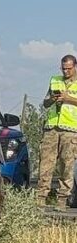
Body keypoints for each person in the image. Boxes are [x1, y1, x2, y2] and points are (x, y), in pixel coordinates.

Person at [37, 54, 77, 208]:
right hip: (51, 127)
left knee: (66, 165)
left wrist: (68, 99)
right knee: (45, 163)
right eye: (63, 68)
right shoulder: (55, 80)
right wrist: (52, 99)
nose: (65, 72)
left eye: (68, 69)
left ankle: (62, 199)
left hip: (71, 130)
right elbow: (45, 103)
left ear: (74, 67)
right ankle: (41, 197)